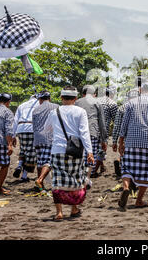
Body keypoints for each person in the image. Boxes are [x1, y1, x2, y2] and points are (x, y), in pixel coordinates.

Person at [43, 86, 94, 220]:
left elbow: (46, 129)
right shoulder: (80, 111)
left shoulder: (54, 112)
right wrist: (90, 151)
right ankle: (74, 208)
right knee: (76, 179)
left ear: (61, 98)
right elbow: (84, 132)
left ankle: (59, 212)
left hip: (58, 150)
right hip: (76, 150)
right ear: (76, 98)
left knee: (57, 180)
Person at [117, 83, 148, 210]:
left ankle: (126, 187)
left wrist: (120, 142)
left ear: (140, 90)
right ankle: (139, 200)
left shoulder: (131, 103)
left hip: (131, 141)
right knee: (147, 173)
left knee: (127, 168)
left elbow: (124, 125)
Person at [75, 85, 107, 178]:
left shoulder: (77, 102)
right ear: (94, 94)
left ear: (83, 94)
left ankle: (80, 174)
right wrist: (104, 139)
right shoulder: (97, 102)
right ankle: (89, 175)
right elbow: (102, 122)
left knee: (79, 154)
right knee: (90, 154)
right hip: (92, 131)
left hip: (78, 132)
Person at [32, 90, 59, 191]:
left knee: (40, 161)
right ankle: (40, 180)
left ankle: (40, 185)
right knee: (48, 161)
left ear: (40, 99)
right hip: (49, 137)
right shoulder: (56, 107)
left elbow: (34, 125)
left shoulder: (35, 109)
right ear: (49, 98)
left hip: (37, 137)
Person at [112, 90, 139, 177]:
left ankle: (123, 170)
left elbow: (117, 126)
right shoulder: (142, 107)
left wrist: (114, 141)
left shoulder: (122, 108)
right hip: (140, 137)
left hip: (125, 138)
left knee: (125, 156)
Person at [12, 94, 40, 181]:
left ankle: (20, 165)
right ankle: (24, 175)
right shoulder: (39, 104)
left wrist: (13, 135)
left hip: (21, 129)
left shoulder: (22, 105)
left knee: (23, 149)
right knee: (31, 153)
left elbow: (15, 120)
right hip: (32, 128)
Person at [97, 86, 119, 175]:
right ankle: (94, 171)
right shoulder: (112, 103)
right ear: (112, 94)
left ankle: (102, 167)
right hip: (103, 130)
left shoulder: (97, 100)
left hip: (91, 128)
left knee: (96, 148)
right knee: (102, 150)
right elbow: (116, 120)